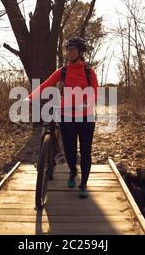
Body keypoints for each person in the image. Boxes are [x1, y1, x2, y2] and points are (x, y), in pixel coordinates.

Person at [26, 37, 99, 198]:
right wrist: (30, 97)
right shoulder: (63, 71)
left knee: (86, 152)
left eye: (73, 49)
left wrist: (87, 104)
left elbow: (94, 91)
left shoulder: (89, 71)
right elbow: (46, 83)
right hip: (67, 116)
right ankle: (73, 171)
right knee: (70, 151)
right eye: (68, 49)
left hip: (86, 118)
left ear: (80, 52)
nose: (69, 52)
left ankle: (84, 184)